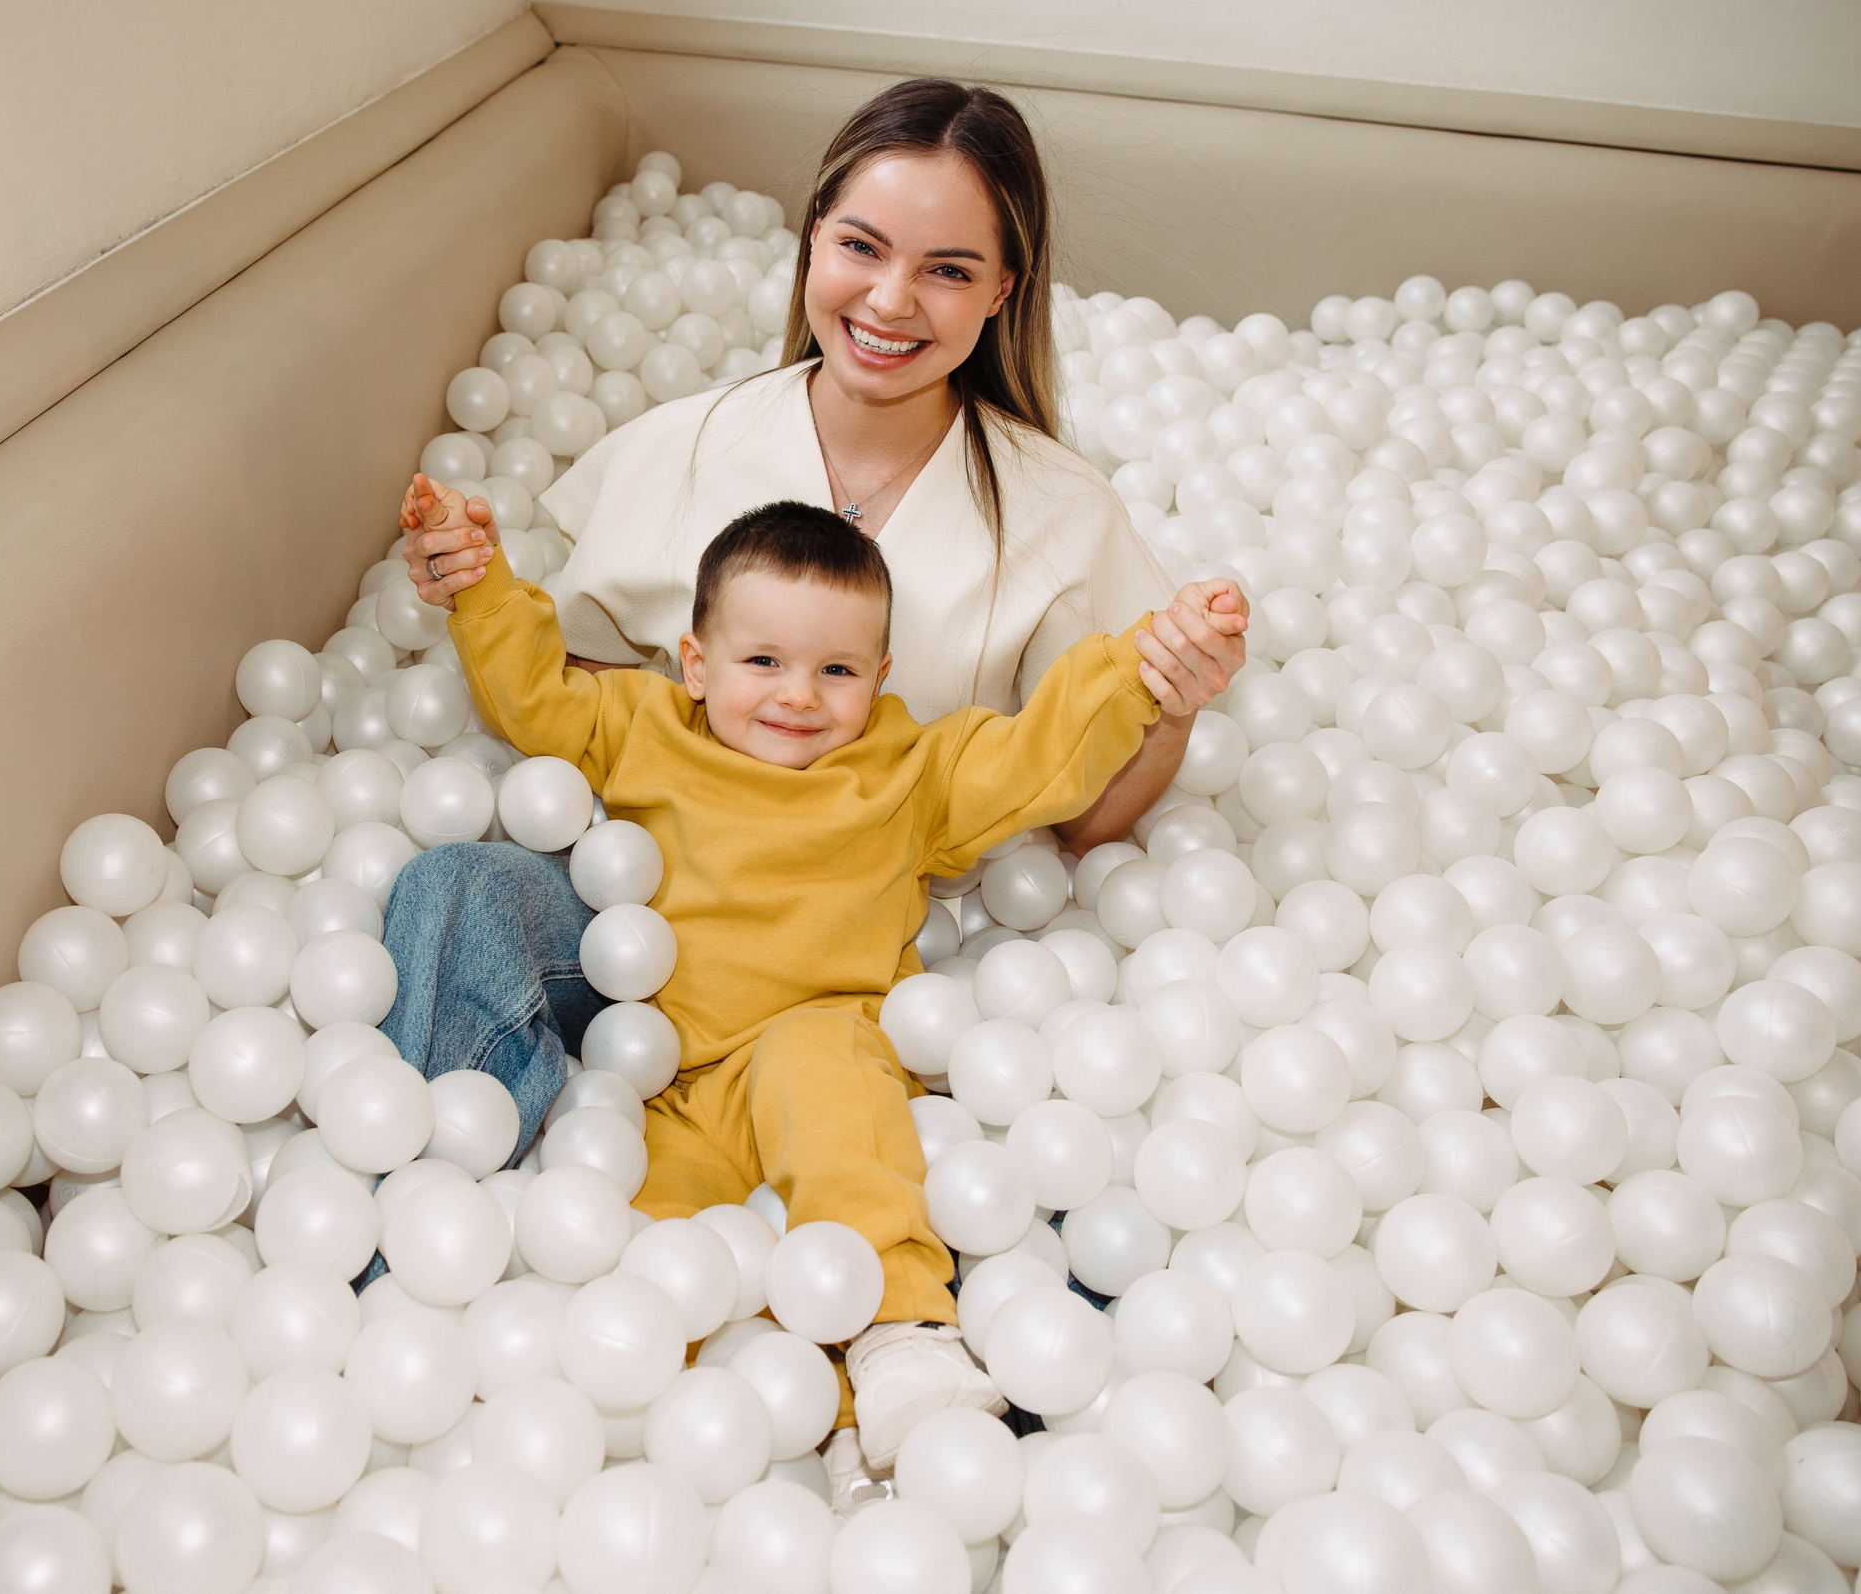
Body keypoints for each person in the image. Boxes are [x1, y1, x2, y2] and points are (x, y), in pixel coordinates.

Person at [380, 76, 1245, 1161]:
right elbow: (579, 702)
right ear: (810, 242)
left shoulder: (1058, 513)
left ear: (1001, 293)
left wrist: (1168, 705)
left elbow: (1072, 813)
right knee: (455, 890)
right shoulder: (689, 443)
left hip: (845, 964)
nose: (889, 302)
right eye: (861, 247)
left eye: (947, 271)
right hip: (640, 910)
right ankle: (429, 1210)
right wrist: (478, 584)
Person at [408, 475, 1243, 1472]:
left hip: (818, 1041)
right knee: (656, 1264)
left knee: (839, 1126)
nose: (800, 695)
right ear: (696, 666)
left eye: (837, 670)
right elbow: (532, 698)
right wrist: (482, 586)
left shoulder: (908, 774)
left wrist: (1141, 662)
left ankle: (899, 1339)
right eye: (762, 661)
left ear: (880, 677)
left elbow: (1036, 756)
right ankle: (771, 1447)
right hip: (669, 1081)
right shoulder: (647, 725)